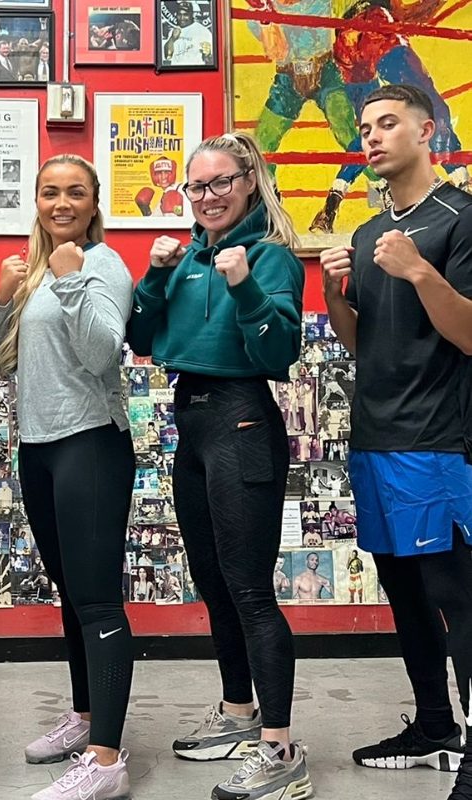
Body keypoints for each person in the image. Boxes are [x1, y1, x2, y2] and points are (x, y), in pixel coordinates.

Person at [127, 131, 311, 799]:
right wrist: (154, 275)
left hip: (242, 423)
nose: (207, 196)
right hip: (194, 424)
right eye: (197, 186)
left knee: (251, 591)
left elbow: (277, 353)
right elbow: (141, 339)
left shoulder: (270, 256)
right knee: (214, 583)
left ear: (249, 180)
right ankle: (239, 713)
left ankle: (282, 752)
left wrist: (244, 284)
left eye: (221, 182)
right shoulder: (184, 259)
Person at [321, 83, 472, 792]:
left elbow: (468, 333)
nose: (373, 137)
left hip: (436, 438)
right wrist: (334, 297)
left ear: (426, 130)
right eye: (366, 128)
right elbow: (362, 343)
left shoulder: (459, 218)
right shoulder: (366, 232)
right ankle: (435, 725)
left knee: (456, 595)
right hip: (374, 437)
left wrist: (417, 270)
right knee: (404, 593)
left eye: (388, 124)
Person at [0, 153, 135, 800]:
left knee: (97, 600)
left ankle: (107, 761)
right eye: (50, 192)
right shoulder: (36, 269)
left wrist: (72, 279)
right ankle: (85, 718)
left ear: (94, 202)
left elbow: (103, 354)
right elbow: (2, 363)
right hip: (39, 447)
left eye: (76, 192)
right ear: (38, 201)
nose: (62, 203)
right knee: (72, 596)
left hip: (91, 443)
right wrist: (3, 298)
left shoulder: (102, 265)